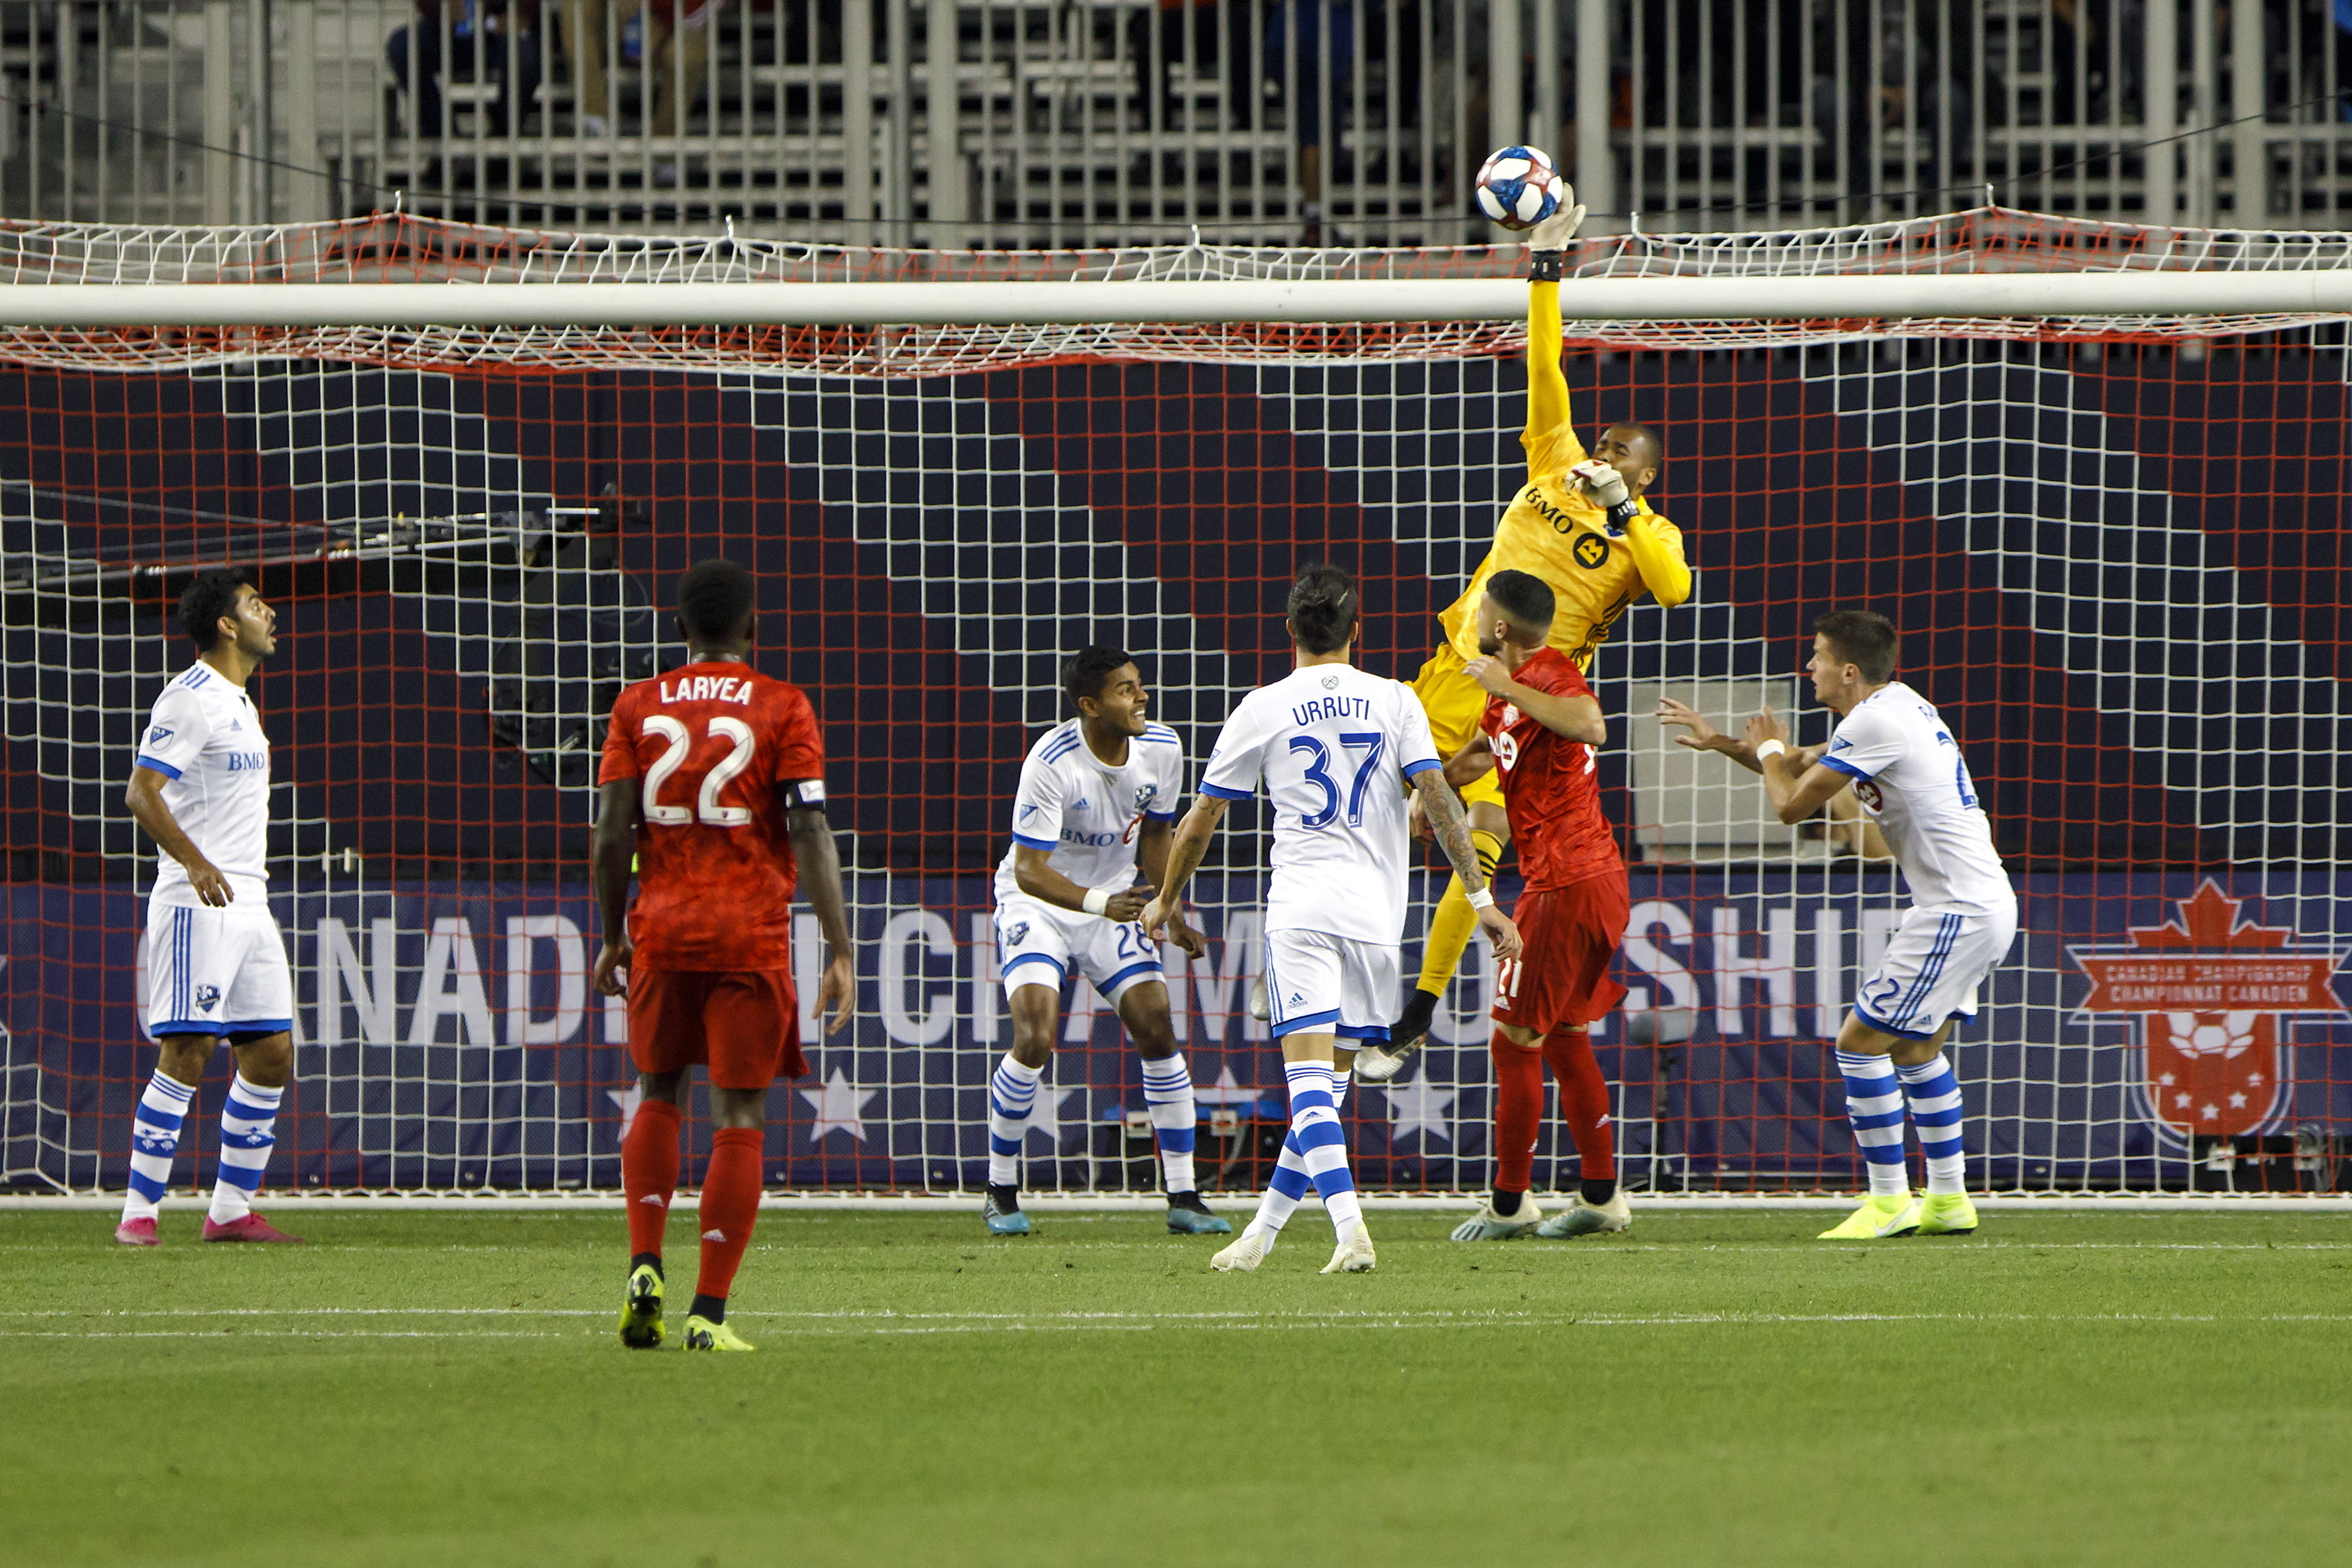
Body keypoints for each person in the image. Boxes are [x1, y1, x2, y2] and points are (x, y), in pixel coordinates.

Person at [1352, 191, 1693, 1085]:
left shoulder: (1645, 537)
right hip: (1450, 668)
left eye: (1619, 453)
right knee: (1363, 802)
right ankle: (1333, 964)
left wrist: (1624, 511)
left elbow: (1674, 590)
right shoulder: (1552, 459)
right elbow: (1545, 362)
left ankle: (1414, 1014)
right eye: (1601, 442)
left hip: (1522, 699)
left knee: (1477, 845)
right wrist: (1544, 266)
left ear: (1644, 475)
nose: (1600, 453)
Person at [1142, 565, 1521, 1275]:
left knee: (1310, 1088)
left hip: (1304, 910)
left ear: (1289, 629)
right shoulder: (1395, 698)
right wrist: (1481, 901)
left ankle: (1351, 1232)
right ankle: (1260, 1237)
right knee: (1327, 1088)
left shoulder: (1263, 706)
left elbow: (1201, 817)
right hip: (1376, 918)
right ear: (1356, 630)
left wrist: (1166, 898)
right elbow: (1440, 800)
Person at [1672, 611, 2015, 1240]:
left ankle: (1888, 1201)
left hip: (1956, 909)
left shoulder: (1873, 723)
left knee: (1858, 1043)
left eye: (1818, 656)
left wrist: (1770, 751)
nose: (1809, 667)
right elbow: (1797, 767)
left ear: (1849, 671)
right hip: (1979, 902)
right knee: (1914, 1050)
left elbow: (1788, 804)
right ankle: (1947, 1200)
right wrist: (1722, 741)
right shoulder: (1899, 707)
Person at [593, 558, 854, 1351]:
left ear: (678, 629)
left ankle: (645, 1263)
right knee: (738, 1114)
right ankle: (707, 1313)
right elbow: (808, 829)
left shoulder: (637, 703)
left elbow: (610, 831)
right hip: (748, 935)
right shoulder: (783, 705)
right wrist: (839, 947)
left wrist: (612, 934)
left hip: (664, 932)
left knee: (657, 1091)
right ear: (753, 629)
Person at [981, 646, 1226, 1238]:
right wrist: (1099, 904)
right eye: (1125, 690)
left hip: (1112, 901)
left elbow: (1158, 833)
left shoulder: (1162, 747)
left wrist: (1169, 908)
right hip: (1039, 904)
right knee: (1035, 1037)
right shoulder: (1051, 762)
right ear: (1090, 706)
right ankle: (1000, 1190)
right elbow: (1030, 870)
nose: (1141, 697)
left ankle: (1184, 1196)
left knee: (1157, 1028)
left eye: (1139, 685)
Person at [1437, 571, 1634, 1243]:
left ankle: (1509, 1203)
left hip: (1567, 884)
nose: (1471, 620)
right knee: (1565, 1036)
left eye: (1479, 612)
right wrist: (1427, 790)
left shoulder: (1548, 676)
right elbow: (1474, 758)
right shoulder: (1507, 698)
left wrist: (1508, 687)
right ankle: (1601, 1197)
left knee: (1513, 1040)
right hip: (1585, 880)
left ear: (1499, 628)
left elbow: (1591, 724)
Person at [114, 569, 302, 1247]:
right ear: (226, 625)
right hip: (198, 902)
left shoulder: (241, 702)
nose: (269, 613)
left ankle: (228, 1211)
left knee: (271, 1053)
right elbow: (141, 792)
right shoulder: (190, 697)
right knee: (188, 1050)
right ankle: (138, 1213)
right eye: (255, 605)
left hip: (250, 899)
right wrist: (194, 862)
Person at [386, 0, 544, 139]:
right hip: (447, 28)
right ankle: (440, 134)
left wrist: (518, 14)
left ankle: (504, 139)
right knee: (402, 46)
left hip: (499, 32)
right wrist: (441, 9)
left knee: (525, 56)